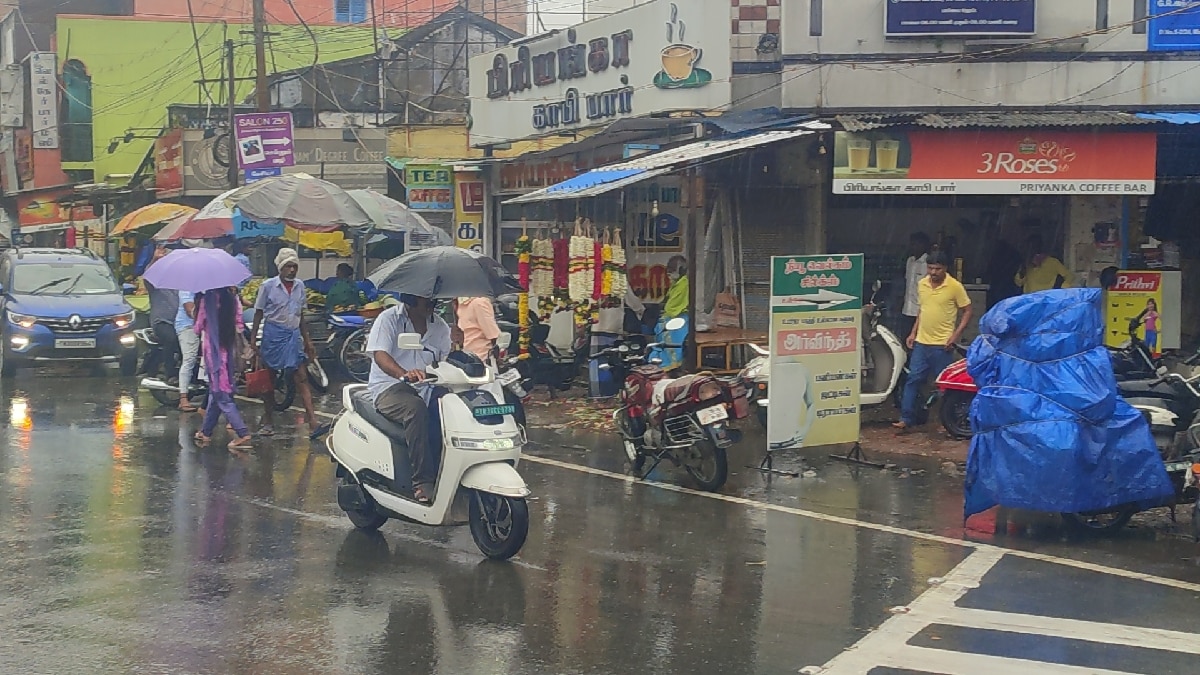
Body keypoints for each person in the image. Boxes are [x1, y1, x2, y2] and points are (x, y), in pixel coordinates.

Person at [366, 294, 454, 505]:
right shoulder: (388, 320)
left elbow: (446, 361)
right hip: (390, 387)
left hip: (429, 387)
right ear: (410, 299)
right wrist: (403, 373)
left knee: (455, 407)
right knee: (415, 409)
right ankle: (422, 482)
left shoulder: (440, 327)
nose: (433, 306)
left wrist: (458, 345)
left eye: (435, 302)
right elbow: (380, 355)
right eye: (428, 302)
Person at [895, 252, 973, 433]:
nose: (933, 272)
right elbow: (923, 310)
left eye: (937, 268)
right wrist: (913, 332)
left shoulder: (954, 286)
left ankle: (943, 421)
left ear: (945, 268)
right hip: (922, 342)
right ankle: (906, 418)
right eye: (930, 268)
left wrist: (955, 335)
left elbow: (967, 311)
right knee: (913, 380)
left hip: (942, 344)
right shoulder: (922, 284)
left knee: (943, 385)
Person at [251, 248, 323, 438]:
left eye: (294, 266)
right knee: (269, 380)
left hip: (293, 336)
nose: (292, 270)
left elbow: (301, 316)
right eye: (288, 266)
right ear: (281, 268)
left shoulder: (300, 286)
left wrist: (307, 341)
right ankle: (268, 420)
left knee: (301, 377)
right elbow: (258, 313)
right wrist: (252, 342)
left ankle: (313, 421)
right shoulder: (267, 286)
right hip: (273, 336)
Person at [193, 287, 253, 450]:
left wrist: (197, 309)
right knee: (215, 392)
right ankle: (206, 432)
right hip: (229, 351)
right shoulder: (233, 300)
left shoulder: (208, 301)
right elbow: (239, 324)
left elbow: (197, 327)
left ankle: (242, 433)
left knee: (222, 396)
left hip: (213, 354)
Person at [142, 246, 180, 379]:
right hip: (162, 322)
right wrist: (154, 259)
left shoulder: (181, 284)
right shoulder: (156, 284)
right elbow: (147, 277)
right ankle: (170, 372)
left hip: (181, 322)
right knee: (172, 338)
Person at [650, 255, 689, 370]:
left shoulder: (684, 284)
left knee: (669, 344)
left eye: (672, 270)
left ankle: (670, 366)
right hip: (672, 318)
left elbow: (672, 308)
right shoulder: (676, 284)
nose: (669, 274)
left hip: (677, 320)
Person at [900, 232, 930, 345]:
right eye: (912, 244)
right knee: (906, 339)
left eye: (917, 244)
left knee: (918, 341)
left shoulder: (927, 263)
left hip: (920, 310)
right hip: (907, 309)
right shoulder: (910, 261)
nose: (914, 247)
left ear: (924, 245)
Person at [176, 289, 200, 412]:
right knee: (189, 359)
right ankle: (183, 398)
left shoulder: (206, 287)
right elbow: (189, 310)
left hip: (203, 326)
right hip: (187, 326)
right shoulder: (186, 289)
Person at [456, 296, 501, 361]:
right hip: (483, 355)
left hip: (468, 353)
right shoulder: (480, 302)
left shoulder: (461, 303)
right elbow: (492, 334)